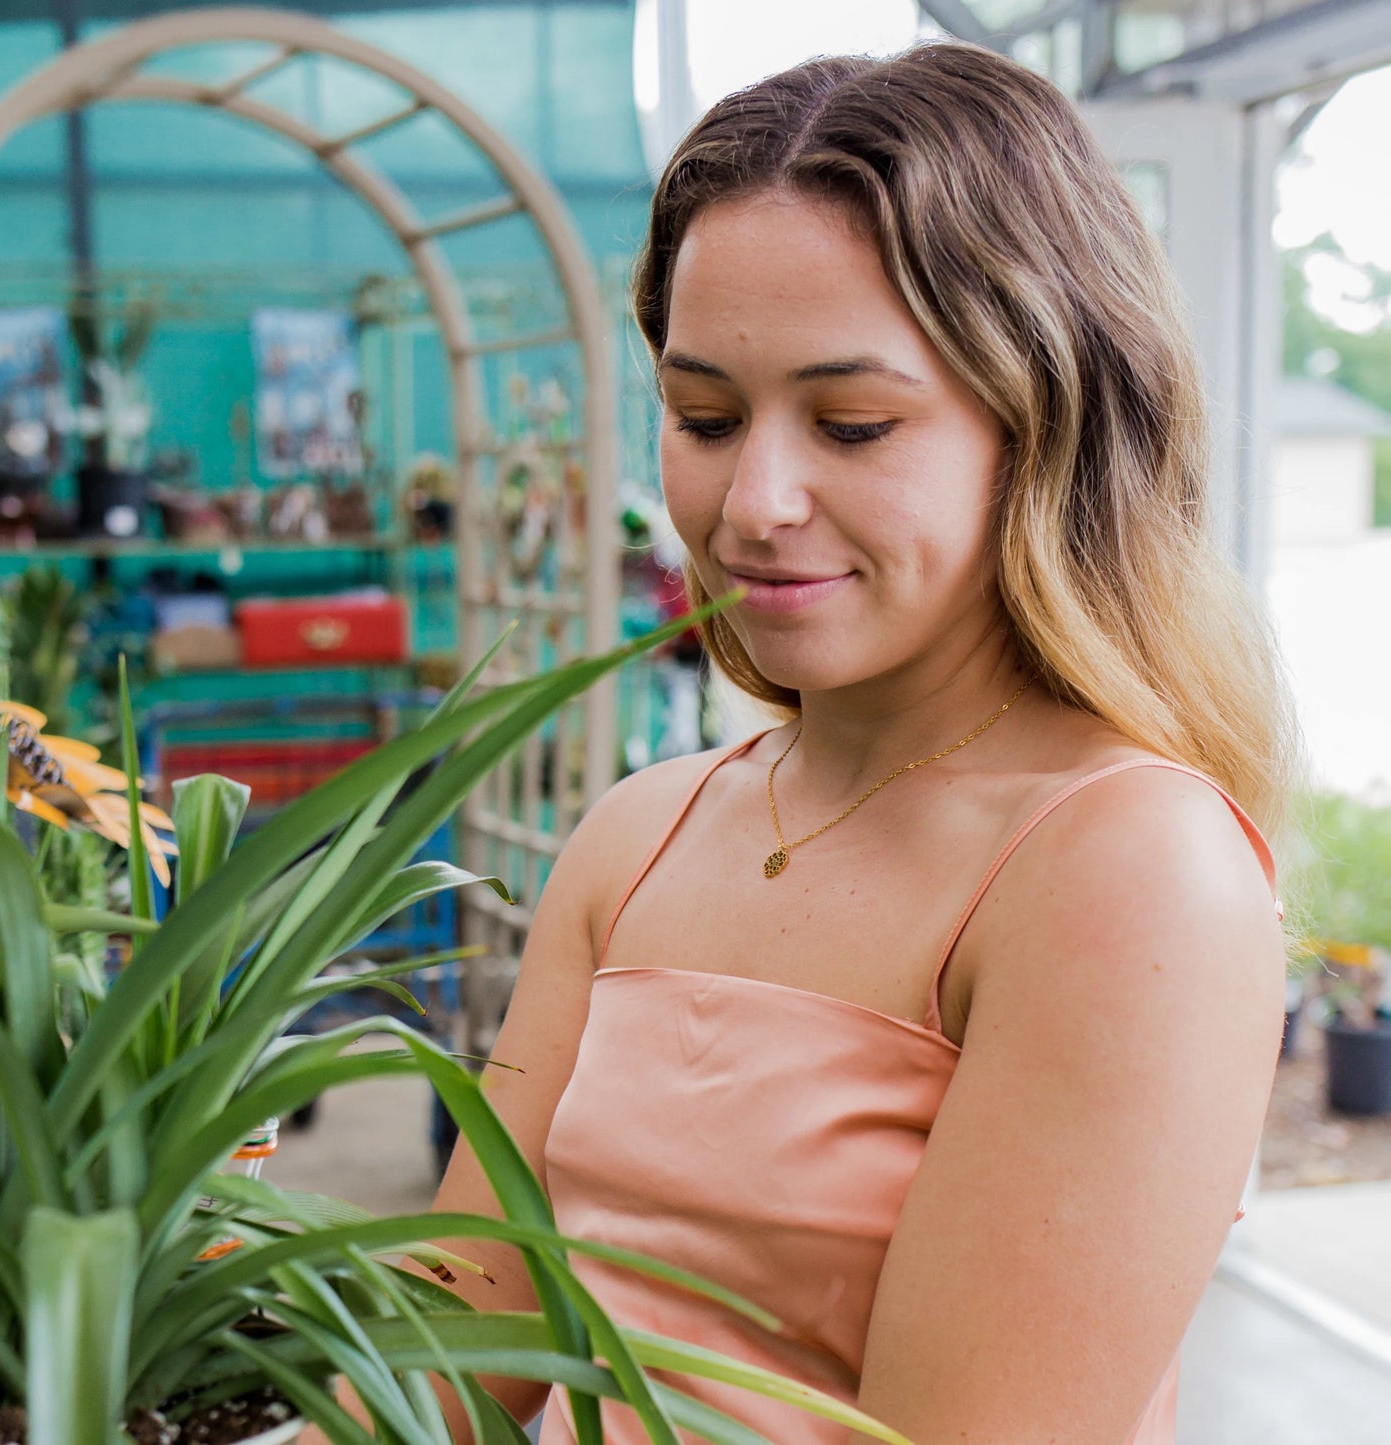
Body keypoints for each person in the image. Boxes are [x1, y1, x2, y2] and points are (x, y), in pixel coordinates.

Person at [426, 40, 1297, 1445]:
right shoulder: (637, 836)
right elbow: (432, 1365)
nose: (754, 498)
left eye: (852, 422)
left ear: (1046, 421)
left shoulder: (1122, 872)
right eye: (703, 415)